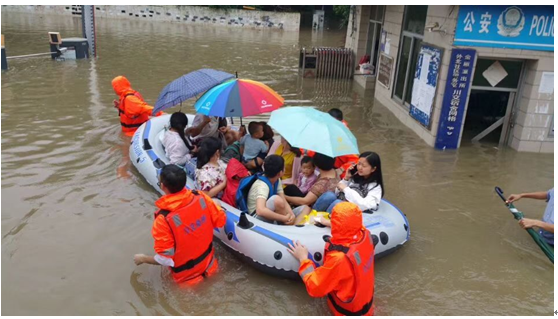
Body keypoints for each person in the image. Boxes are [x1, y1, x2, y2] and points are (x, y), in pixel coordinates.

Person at [133, 164, 226, 285]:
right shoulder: (201, 197)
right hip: (211, 266)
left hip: (187, 281)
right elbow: (220, 220)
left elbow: (165, 260)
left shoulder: (163, 219)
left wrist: (143, 259)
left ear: (162, 186)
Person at [287, 202, 375, 316]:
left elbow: (315, 287)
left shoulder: (339, 259)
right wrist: (328, 223)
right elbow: (352, 227)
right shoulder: (365, 235)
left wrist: (303, 258)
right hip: (366, 308)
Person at [241, 155, 309, 225]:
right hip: (256, 218)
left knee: (306, 208)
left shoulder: (277, 180)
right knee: (276, 200)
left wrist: (292, 215)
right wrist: (283, 218)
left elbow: (284, 200)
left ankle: (293, 227)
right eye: (284, 167)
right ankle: (287, 227)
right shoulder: (262, 185)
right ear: (280, 173)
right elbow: (260, 210)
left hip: (272, 211)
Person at [314, 152, 383, 214]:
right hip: (341, 204)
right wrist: (346, 179)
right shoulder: (355, 177)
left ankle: (325, 222)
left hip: (354, 211)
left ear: (373, 169)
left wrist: (346, 189)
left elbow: (365, 205)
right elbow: (337, 193)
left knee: (338, 203)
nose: (359, 168)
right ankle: (313, 216)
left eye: (364, 166)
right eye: (359, 164)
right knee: (329, 195)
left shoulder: (375, 187)